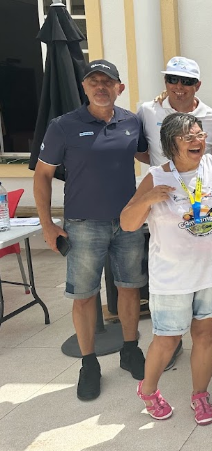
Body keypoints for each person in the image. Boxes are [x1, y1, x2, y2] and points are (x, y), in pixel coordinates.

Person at [33, 59, 148, 401]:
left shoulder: (131, 121)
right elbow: (42, 175)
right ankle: (89, 364)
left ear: (119, 88)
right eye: (93, 81)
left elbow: (148, 155)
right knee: (84, 296)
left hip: (128, 221)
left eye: (107, 81)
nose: (100, 87)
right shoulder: (63, 126)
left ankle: (130, 349)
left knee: (129, 288)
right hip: (83, 225)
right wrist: (47, 224)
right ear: (84, 87)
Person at [121, 113, 212, 425]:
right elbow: (127, 223)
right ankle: (148, 390)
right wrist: (147, 200)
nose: (198, 141)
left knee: (206, 335)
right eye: (189, 137)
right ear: (172, 144)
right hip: (172, 278)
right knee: (168, 339)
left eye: (200, 135)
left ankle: (200, 394)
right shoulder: (157, 177)